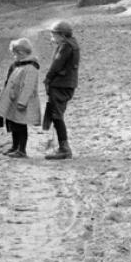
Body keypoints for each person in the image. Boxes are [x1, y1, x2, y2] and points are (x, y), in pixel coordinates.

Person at [0, 37, 42, 158]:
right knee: (14, 124)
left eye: (15, 54)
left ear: (21, 53)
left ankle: (22, 150)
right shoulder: (20, 65)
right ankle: (15, 146)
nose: (14, 57)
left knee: (21, 125)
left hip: (22, 103)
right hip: (14, 101)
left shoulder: (31, 68)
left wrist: (22, 102)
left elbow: (28, 87)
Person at [42, 19, 79, 160]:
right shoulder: (72, 43)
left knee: (57, 115)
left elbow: (57, 64)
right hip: (67, 84)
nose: (52, 38)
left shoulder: (65, 46)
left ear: (62, 35)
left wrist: (48, 78)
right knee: (57, 114)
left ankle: (64, 148)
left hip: (60, 84)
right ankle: (62, 147)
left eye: (54, 35)